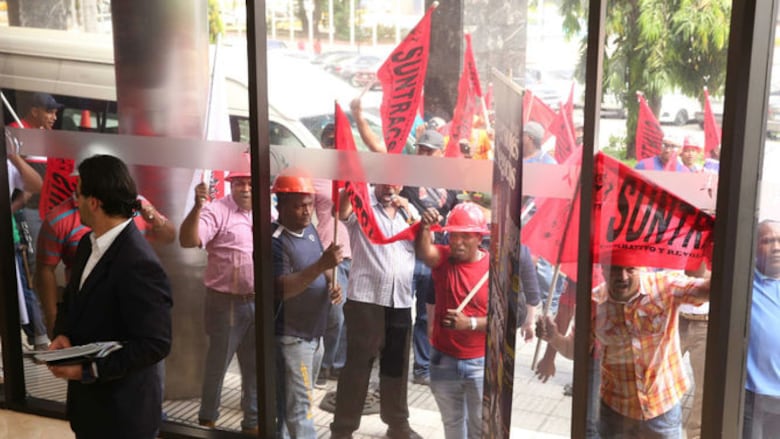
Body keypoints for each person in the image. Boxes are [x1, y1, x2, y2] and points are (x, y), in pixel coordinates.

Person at [47, 154, 172, 439]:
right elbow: (73, 301)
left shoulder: (138, 262)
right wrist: (63, 334)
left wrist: (87, 370)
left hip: (124, 415)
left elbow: (155, 344)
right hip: (89, 409)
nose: (74, 201)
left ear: (94, 202)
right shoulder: (86, 245)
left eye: (78, 195)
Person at [537, 260, 710, 438]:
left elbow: (708, 290)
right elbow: (574, 350)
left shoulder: (664, 287)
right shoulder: (593, 303)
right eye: (614, 269)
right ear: (602, 269)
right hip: (616, 412)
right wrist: (553, 337)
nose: (622, 276)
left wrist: (709, 253)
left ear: (642, 267)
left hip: (662, 408)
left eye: (630, 269)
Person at [330, 183, 421, 439]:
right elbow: (341, 210)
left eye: (395, 181)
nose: (390, 187)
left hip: (401, 300)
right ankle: (343, 429)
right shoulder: (362, 204)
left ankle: (397, 424)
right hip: (366, 301)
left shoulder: (408, 209)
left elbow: (426, 243)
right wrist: (351, 181)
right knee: (357, 367)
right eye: (385, 180)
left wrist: (414, 215)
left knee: (396, 366)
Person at [179, 171, 258, 434]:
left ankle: (253, 423)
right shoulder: (216, 210)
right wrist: (197, 208)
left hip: (258, 301)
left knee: (255, 366)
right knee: (218, 364)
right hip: (226, 304)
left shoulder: (268, 211)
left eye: (250, 183)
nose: (246, 189)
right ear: (230, 185)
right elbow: (188, 240)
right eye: (239, 184)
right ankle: (207, 421)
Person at [35, 192, 175, 337]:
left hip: (135, 310)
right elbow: (45, 269)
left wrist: (155, 219)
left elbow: (169, 237)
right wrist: (53, 321)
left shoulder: (137, 204)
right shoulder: (60, 219)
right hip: (87, 315)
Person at [272, 172, 343, 438]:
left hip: (314, 335)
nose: (306, 211)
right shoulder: (275, 240)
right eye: (299, 205)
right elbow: (281, 289)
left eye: (310, 204)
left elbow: (317, 266)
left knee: (293, 403)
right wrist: (321, 266)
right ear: (281, 205)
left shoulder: (309, 230)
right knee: (301, 409)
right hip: (293, 338)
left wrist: (331, 283)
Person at [413, 203, 489, 439]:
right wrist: (424, 227)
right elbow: (425, 252)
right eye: (454, 235)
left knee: (479, 426)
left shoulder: (494, 268)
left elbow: (506, 320)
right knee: (452, 424)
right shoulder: (444, 258)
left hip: (480, 362)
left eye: (465, 236)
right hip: (442, 359)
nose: (457, 242)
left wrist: (471, 324)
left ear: (479, 238)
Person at [400, 129, 459, 386]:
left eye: (428, 150)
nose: (422, 154)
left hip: (434, 257)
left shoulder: (452, 180)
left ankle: (422, 368)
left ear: (440, 153)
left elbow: (456, 214)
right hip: (405, 254)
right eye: (420, 149)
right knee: (400, 313)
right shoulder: (404, 176)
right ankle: (396, 369)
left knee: (426, 314)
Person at [312, 123, 352, 386]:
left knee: (339, 312)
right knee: (324, 311)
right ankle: (322, 364)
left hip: (345, 252)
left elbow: (345, 213)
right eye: (328, 141)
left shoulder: (350, 174)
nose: (332, 146)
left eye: (336, 141)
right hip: (319, 251)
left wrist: (349, 189)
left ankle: (334, 364)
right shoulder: (313, 174)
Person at [5, 132, 48, 350]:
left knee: (19, 289)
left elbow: (35, 185)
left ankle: (38, 337)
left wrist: (13, 155)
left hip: (7, 239)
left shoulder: (8, 162)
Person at [743, 220, 780, 438]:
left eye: (779, 240)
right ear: (754, 246)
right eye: (767, 241)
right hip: (753, 397)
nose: (776, 247)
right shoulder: (744, 282)